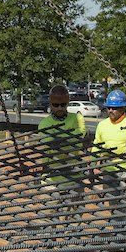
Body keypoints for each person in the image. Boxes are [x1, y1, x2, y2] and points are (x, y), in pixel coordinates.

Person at [92, 89, 126, 237]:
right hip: (109, 171)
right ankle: (118, 235)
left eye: (114, 108)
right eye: (109, 107)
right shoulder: (102, 125)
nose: (110, 110)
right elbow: (96, 147)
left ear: (123, 108)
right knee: (114, 204)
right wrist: (93, 163)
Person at [37, 84, 86, 217]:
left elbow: (80, 134)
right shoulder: (44, 123)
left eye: (63, 105)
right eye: (56, 105)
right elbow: (47, 141)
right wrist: (68, 136)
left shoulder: (76, 117)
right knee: (50, 217)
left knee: (74, 216)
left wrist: (59, 137)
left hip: (73, 176)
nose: (59, 108)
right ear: (50, 104)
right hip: (51, 178)